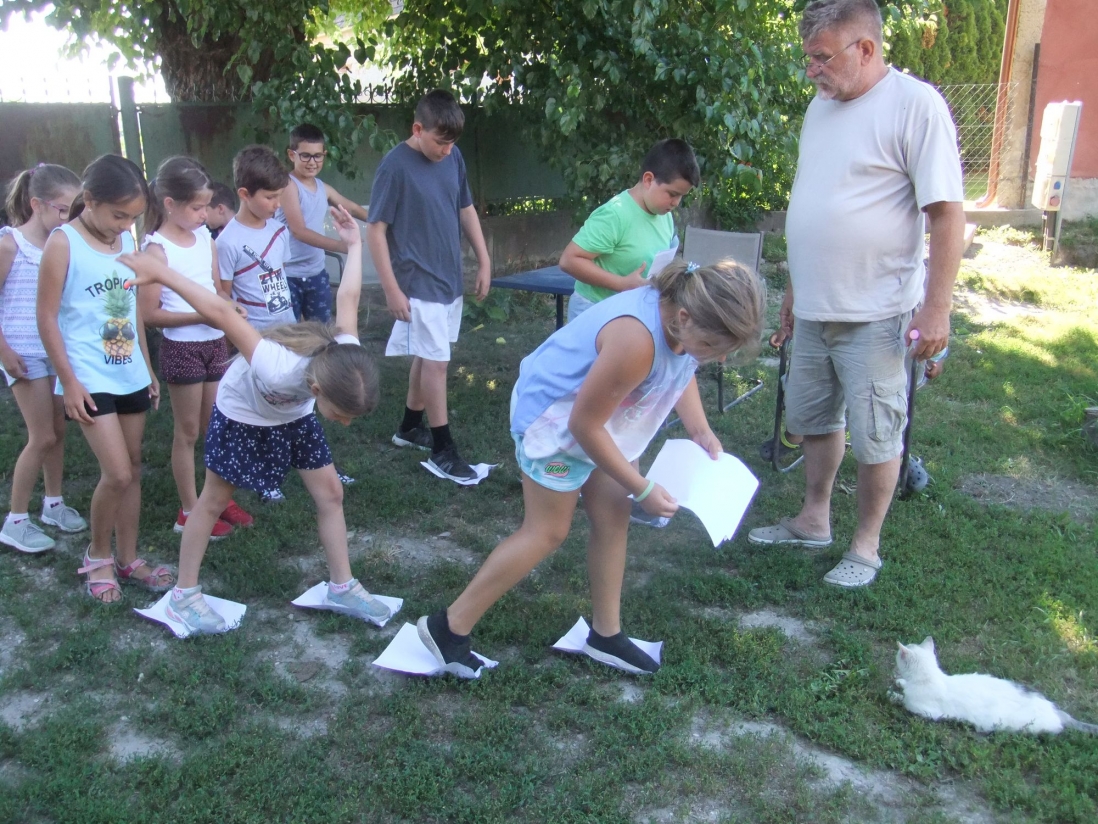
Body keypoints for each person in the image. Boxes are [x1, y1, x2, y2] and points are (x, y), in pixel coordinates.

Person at [417, 259, 766, 677]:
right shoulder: (636, 340)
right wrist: (642, 488)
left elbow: (682, 367)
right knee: (547, 531)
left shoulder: (683, 319)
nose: (718, 359)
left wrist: (699, 428)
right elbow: (583, 425)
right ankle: (448, 628)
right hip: (556, 422)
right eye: (713, 346)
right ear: (685, 318)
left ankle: (606, 634)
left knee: (613, 516)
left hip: (604, 418)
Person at [747, 0, 965, 588]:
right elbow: (814, 201)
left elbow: (946, 214)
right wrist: (797, 287)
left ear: (865, 49)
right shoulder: (819, 109)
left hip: (877, 309)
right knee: (814, 417)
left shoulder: (915, 105)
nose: (811, 70)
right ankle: (813, 519)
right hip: (815, 305)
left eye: (821, 57)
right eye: (808, 58)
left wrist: (937, 306)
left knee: (876, 433)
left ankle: (865, 546)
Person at [120, 205, 391, 634]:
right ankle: (183, 597)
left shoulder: (344, 355)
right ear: (318, 389)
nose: (345, 424)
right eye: (342, 416)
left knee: (331, 493)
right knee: (211, 501)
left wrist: (354, 245)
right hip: (243, 412)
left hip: (294, 414)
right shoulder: (276, 367)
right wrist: (162, 273)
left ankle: (341, 586)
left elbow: (349, 298)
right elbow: (222, 313)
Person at [36, 155, 174, 602]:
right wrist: (68, 382)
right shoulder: (63, 243)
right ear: (90, 200)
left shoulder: (125, 240)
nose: (125, 225)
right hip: (87, 375)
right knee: (115, 473)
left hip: (129, 370)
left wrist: (148, 368)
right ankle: (97, 556)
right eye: (118, 215)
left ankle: (128, 558)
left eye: (132, 217)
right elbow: (46, 317)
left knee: (132, 469)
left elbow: (131, 309)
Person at [366, 89, 491, 482]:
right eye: (440, 142)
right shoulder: (394, 167)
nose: (447, 150)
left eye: (452, 143)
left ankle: (408, 427)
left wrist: (484, 260)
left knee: (427, 354)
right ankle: (442, 449)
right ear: (418, 129)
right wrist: (391, 288)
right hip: (417, 282)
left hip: (449, 279)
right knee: (437, 363)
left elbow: (466, 208)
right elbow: (375, 230)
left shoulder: (453, 156)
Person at [139, 156, 254, 540]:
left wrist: (228, 305)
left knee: (216, 428)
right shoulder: (156, 250)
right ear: (170, 204)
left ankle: (217, 500)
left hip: (214, 343)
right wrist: (202, 316)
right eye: (197, 207)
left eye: (206, 206)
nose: (205, 214)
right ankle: (188, 510)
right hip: (182, 348)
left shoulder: (206, 238)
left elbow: (216, 288)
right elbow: (150, 314)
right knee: (187, 432)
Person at [0, 163, 87, 553]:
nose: (69, 218)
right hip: (23, 354)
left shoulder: (60, 244)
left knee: (58, 433)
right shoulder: (10, 244)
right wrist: (4, 352)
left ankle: (53, 504)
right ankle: (15, 521)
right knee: (42, 436)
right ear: (37, 204)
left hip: (54, 351)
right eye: (63, 209)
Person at [216, 145, 294, 502]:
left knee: (291, 397)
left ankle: (297, 462)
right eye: (270, 197)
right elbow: (223, 293)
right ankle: (264, 476)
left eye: (279, 196)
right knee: (262, 404)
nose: (276, 204)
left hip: (287, 330)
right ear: (244, 194)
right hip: (255, 336)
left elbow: (280, 275)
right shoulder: (228, 241)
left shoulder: (278, 230)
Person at [559, 139, 699, 323]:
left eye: (681, 196)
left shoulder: (664, 215)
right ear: (648, 180)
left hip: (631, 312)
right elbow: (569, 260)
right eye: (672, 194)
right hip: (594, 312)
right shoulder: (615, 214)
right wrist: (621, 284)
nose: (676, 203)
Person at [275, 123, 370, 323]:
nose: (312, 162)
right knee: (288, 334)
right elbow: (299, 231)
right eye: (305, 156)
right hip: (287, 275)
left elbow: (351, 208)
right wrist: (342, 246)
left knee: (322, 332)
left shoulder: (322, 187)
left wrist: (380, 222)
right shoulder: (288, 185)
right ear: (292, 155)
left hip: (316, 274)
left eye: (317, 156)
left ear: (324, 155)